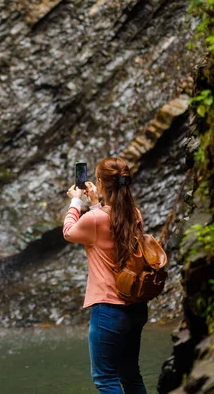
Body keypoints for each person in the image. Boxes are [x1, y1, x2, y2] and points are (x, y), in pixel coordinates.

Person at [63, 157, 148, 394]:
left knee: (105, 378)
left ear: (100, 182)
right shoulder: (135, 214)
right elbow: (110, 224)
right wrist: (95, 204)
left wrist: (76, 201)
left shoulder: (95, 219)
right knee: (131, 374)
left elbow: (69, 232)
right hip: (136, 307)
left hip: (109, 310)